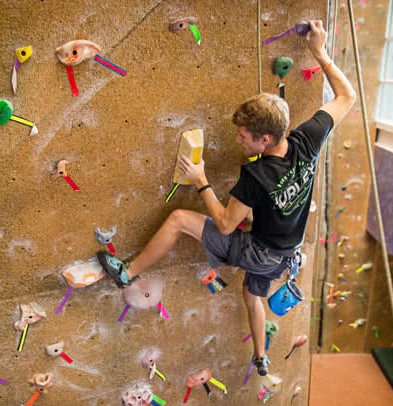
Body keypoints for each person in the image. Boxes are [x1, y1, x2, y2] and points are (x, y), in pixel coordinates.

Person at [98, 20, 355, 376]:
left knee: (178, 221)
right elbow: (347, 97)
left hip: (261, 253)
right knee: (252, 296)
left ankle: (127, 273)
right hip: (285, 255)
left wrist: (201, 180)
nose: (238, 139)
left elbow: (224, 223)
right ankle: (261, 358)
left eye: (243, 135)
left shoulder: (257, 176)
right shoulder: (306, 140)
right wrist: (319, 51)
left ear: (264, 140)